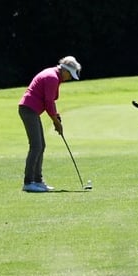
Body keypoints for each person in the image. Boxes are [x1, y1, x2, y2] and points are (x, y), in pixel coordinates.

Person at [18, 56, 81, 192]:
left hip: (31, 110)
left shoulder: (54, 76)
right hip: (28, 110)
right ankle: (28, 182)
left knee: (41, 145)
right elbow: (48, 103)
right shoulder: (52, 77)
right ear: (65, 70)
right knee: (36, 146)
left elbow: (50, 101)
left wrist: (56, 117)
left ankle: (38, 180)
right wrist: (56, 122)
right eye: (70, 75)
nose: (70, 78)